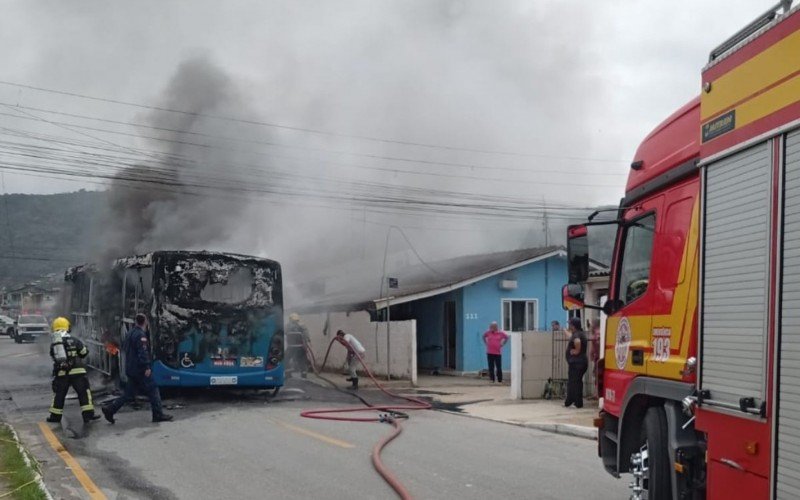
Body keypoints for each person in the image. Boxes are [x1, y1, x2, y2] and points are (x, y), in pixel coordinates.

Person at [102, 314, 173, 424]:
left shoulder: (130, 333)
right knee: (153, 388)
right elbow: (142, 352)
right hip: (140, 369)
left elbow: (125, 349)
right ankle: (158, 414)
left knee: (128, 394)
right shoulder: (141, 335)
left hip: (131, 368)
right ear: (145, 322)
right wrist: (147, 366)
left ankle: (110, 409)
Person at [46, 317, 100, 423]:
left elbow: (53, 356)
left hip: (62, 373)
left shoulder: (55, 343)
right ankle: (88, 415)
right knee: (84, 393)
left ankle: (55, 417)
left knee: (59, 394)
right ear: (67, 327)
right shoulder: (75, 340)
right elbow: (84, 353)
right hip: (78, 372)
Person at [564, 317, 589, 408]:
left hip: (577, 363)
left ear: (573, 326)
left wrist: (576, 351)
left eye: (570, 324)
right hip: (579, 363)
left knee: (574, 383)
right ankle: (572, 401)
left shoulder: (577, 335)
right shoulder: (578, 333)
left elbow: (577, 341)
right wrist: (565, 331)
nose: (569, 326)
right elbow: (571, 337)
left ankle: (575, 402)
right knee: (575, 382)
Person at [286, 313, 311, 377]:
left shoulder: (287, 326)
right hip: (300, 347)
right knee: (302, 359)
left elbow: (284, 333)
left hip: (291, 347)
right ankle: (304, 374)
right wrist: (308, 342)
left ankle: (288, 373)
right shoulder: (303, 326)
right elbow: (306, 336)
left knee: (286, 358)